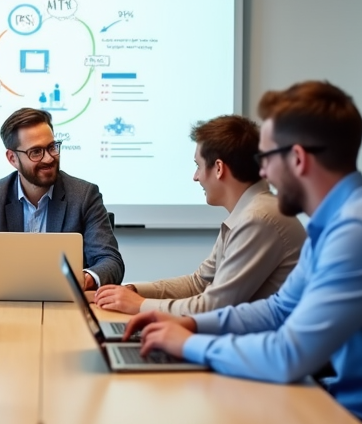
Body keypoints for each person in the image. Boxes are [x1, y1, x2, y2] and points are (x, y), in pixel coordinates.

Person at [125, 82, 362, 424]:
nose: (262, 172)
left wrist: (190, 344)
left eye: (265, 158)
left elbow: (288, 355)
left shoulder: (361, 231)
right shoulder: (337, 223)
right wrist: (191, 322)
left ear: (297, 159)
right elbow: (279, 310)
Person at [94, 115, 305, 316]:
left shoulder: (258, 219)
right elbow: (198, 283)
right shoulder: (250, 212)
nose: (196, 177)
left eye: (198, 166)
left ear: (219, 168)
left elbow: (213, 307)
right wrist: (132, 291)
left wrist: (140, 305)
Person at [0, 107, 124, 289]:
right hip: (4, 308)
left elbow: (111, 262)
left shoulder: (84, 195)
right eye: (36, 152)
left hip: (65, 309)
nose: (49, 158)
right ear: (12, 158)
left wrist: (86, 279)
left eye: (52, 147)